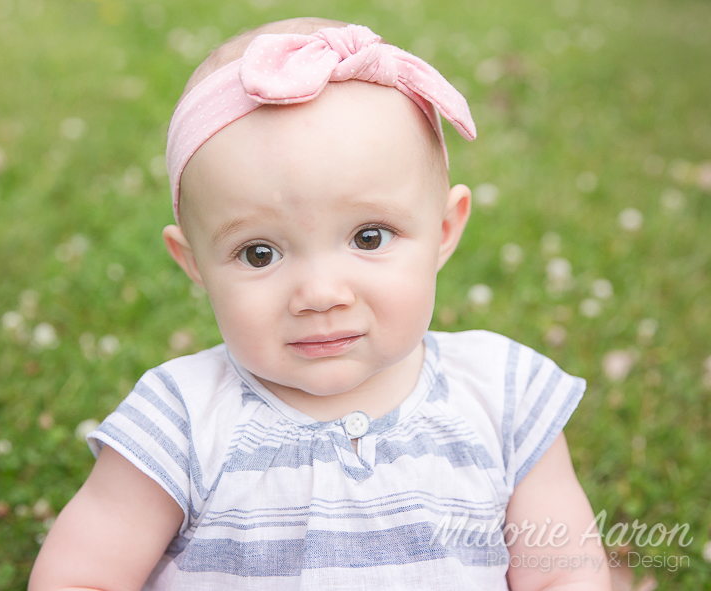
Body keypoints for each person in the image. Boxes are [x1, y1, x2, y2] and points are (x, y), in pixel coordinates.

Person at [30, 18, 609, 590]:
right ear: (194, 264)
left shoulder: (504, 395)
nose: (320, 295)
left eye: (369, 237)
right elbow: (83, 577)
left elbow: (561, 572)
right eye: (259, 253)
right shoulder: (180, 420)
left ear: (444, 229)